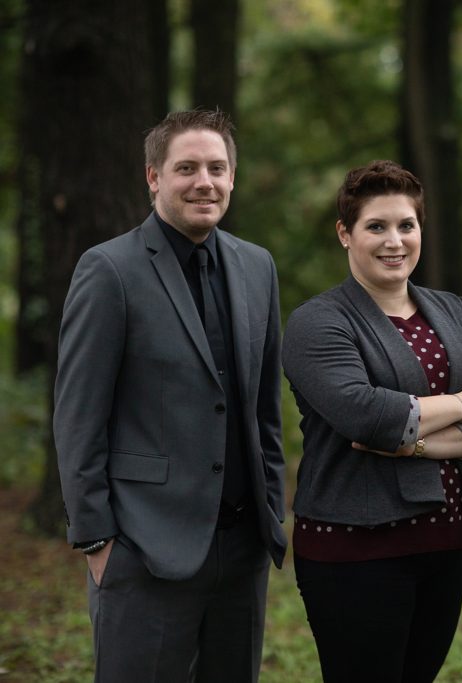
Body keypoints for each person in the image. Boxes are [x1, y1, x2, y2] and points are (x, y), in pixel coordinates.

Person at [53, 109, 287, 682]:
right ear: (154, 177)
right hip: (142, 550)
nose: (204, 180)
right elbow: (78, 416)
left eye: (217, 167)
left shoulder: (257, 267)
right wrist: (97, 540)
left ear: (233, 177)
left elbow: (264, 410)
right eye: (187, 168)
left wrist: (271, 511)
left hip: (241, 550)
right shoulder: (108, 269)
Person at [281, 160, 462, 683]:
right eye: (376, 226)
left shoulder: (454, 311)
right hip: (352, 548)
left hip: (443, 541)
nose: (395, 241)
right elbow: (366, 415)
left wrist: (416, 444)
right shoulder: (318, 322)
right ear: (346, 234)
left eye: (406, 225)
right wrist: (461, 404)